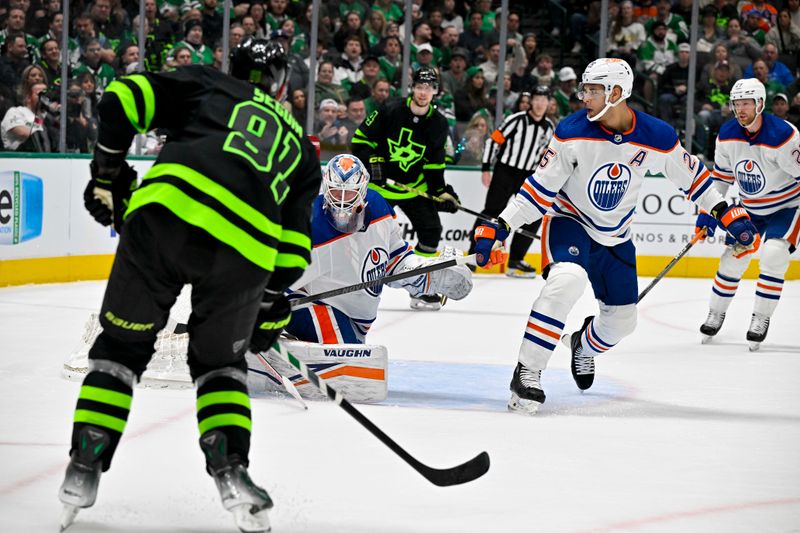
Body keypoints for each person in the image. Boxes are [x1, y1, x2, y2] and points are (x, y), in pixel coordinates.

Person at [57, 38, 321, 532]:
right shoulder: (301, 149)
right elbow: (292, 253)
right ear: (284, 84)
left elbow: (120, 99)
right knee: (220, 365)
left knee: (119, 350)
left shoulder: (210, 83)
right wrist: (266, 305)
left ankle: (84, 465)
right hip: (245, 253)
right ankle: (232, 472)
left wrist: (108, 174)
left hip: (165, 218)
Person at [472, 58, 760, 415]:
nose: (584, 97)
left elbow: (695, 179)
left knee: (623, 322)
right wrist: (500, 223)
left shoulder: (657, 136)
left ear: (617, 92)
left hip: (616, 236)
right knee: (567, 281)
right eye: (585, 89)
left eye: (593, 90)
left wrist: (727, 212)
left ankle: (583, 346)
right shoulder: (570, 131)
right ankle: (527, 372)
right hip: (570, 222)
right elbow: (538, 190)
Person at [284, 153, 473, 344]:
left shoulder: (379, 208)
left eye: (349, 192)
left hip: (356, 318)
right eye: (335, 191)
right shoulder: (311, 226)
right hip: (310, 305)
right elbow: (279, 283)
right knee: (348, 359)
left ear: (363, 190)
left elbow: (394, 258)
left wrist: (428, 273)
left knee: (354, 351)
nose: (341, 200)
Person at [696, 78, 800, 351]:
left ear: (760, 104)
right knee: (732, 260)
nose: (740, 109)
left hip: (786, 207)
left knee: (774, 256)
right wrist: (708, 213)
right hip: (751, 208)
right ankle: (715, 313)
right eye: (736, 104)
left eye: (746, 103)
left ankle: (760, 318)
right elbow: (720, 178)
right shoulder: (727, 134)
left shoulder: (784, 136)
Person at [351, 66, 460, 311]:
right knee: (363, 233)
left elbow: (434, 163)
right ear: (412, 87)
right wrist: (374, 162)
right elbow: (360, 141)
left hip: (413, 187)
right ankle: (356, 284)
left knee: (431, 231)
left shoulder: (438, 123)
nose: (423, 92)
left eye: (429, 88)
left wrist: (441, 191)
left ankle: (422, 287)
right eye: (420, 87)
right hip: (382, 189)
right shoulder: (389, 110)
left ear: (436, 91)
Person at [469, 85, 554, 278]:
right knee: (491, 211)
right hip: (505, 171)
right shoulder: (516, 120)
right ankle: (475, 254)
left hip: (529, 176)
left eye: (544, 99)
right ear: (531, 101)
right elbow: (493, 141)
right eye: (537, 99)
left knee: (533, 216)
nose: (540, 103)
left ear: (549, 103)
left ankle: (515, 261)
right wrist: (485, 168)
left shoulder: (549, 127)